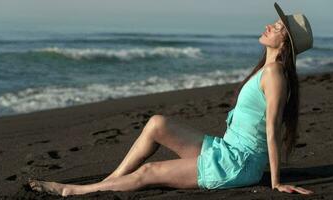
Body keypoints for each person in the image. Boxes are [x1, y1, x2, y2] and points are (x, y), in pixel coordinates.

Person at [29, 2, 314, 197]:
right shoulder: (266, 70)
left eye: (277, 27)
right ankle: (108, 182)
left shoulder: (275, 74)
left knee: (149, 171)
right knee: (157, 124)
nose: (269, 26)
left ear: (285, 42)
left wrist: (276, 182)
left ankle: (74, 191)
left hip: (236, 164)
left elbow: (272, 129)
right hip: (226, 149)